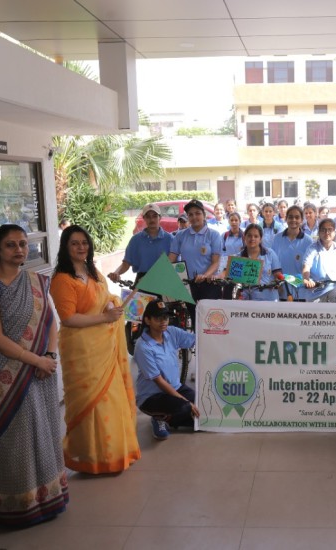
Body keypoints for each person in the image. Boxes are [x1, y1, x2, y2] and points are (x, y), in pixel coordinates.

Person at [0, 225, 68, 526]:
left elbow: (50, 321)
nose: (19, 250)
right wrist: (37, 359)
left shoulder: (37, 281)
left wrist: (49, 356)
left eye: (23, 244)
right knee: (14, 437)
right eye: (11, 245)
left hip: (41, 367)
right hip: (2, 370)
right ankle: (17, 506)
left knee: (44, 429)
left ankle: (48, 498)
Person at [50, 225, 141, 474]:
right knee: (91, 402)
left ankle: (114, 454)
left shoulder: (92, 271)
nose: (81, 247)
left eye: (84, 242)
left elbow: (106, 298)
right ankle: (91, 458)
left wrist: (112, 305)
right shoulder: (62, 280)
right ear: (65, 247)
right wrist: (105, 318)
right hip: (81, 351)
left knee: (111, 399)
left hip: (104, 347)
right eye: (74, 243)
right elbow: (68, 318)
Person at [133, 301, 200, 440]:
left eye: (165, 317)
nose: (163, 321)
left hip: (175, 387)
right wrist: (186, 402)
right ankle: (160, 418)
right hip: (152, 397)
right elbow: (159, 381)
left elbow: (196, 340)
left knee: (201, 402)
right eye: (158, 318)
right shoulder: (143, 346)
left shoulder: (171, 332)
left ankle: (172, 418)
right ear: (147, 320)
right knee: (185, 407)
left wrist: (212, 328)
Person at [168, 200, 223, 319]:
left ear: (204, 215)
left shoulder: (214, 235)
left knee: (210, 320)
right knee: (194, 319)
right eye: (190, 214)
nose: (194, 217)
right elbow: (171, 258)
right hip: (188, 284)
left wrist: (205, 275)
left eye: (197, 213)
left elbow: (215, 262)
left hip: (209, 284)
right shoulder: (180, 235)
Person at [108, 203, 172, 284]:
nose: (152, 219)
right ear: (144, 218)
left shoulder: (170, 239)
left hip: (164, 280)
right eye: (148, 217)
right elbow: (126, 263)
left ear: (160, 217)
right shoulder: (135, 240)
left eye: (155, 216)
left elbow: (176, 265)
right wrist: (116, 273)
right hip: (142, 281)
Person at [272, 205, 312, 300]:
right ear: (286, 219)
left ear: (302, 220)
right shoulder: (277, 238)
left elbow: (310, 267)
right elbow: (272, 263)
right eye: (290, 217)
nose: (293, 220)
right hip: (281, 288)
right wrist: (276, 281)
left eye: (297, 217)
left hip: (301, 290)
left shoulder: (308, 241)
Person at [235, 224, 282, 301]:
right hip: (246, 300)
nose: (252, 238)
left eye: (256, 236)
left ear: (260, 239)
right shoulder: (238, 257)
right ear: (244, 237)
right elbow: (234, 280)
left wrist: (278, 280)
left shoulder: (269, 253)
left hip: (269, 299)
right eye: (249, 236)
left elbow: (278, 274)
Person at [301, 218, 336, 302]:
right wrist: (306, 279)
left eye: (330, 229)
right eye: (323, 230)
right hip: (315, 290)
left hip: (333, 288)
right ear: (319, 232)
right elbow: (306, 266)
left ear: (334, 232)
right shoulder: (312, 248)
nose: (327, 232)